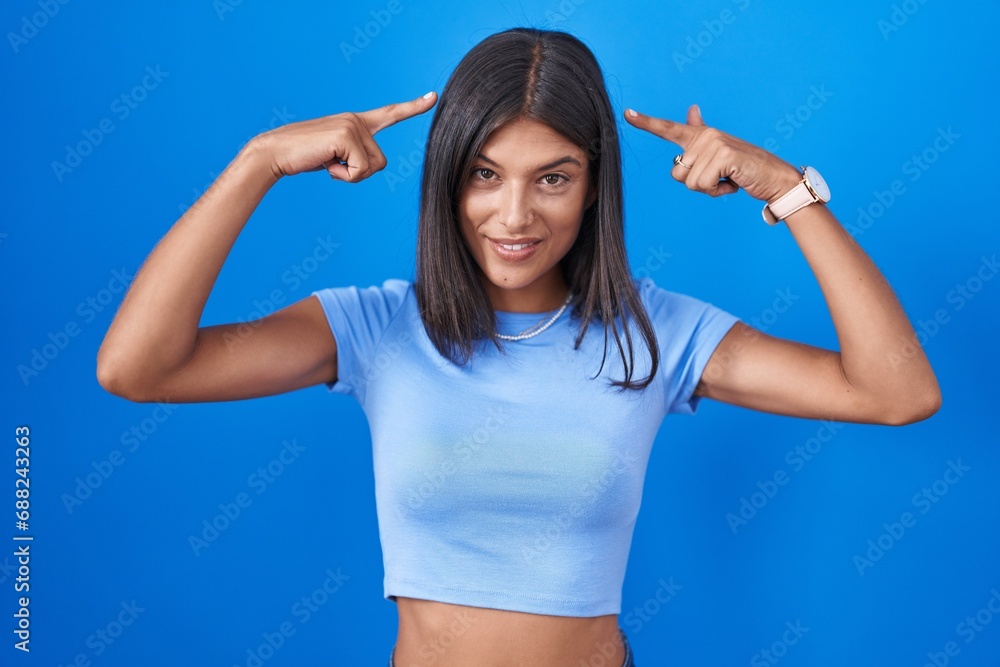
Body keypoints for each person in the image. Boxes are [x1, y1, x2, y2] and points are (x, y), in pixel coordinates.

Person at [96, 27, 940, 667]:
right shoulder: (376, 328)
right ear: (447, 178)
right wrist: (259, 161)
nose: (515, 217)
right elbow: (139, 367)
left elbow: (895, 392)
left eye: (554, 178)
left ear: (594, 187)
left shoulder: (657, 334)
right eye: (485, 174)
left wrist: (791, 193)